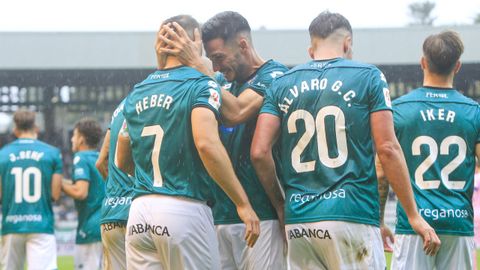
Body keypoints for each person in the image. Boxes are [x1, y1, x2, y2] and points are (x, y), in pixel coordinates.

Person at [250, 11, 441, 269]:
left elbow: (260, 152)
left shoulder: (281, 84)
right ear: (348, 43)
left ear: (311, 49)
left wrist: (282, 204)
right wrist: (413, 215)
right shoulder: (368, 76)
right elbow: (387, 148)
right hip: (352, 214)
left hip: (300, 221)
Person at [116, 15, 260, 270]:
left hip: (139, 213)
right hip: (183, 209)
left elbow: (122, 160)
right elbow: (206, 144)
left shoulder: (137, 91)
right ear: (195, 40)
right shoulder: (201, 84)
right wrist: (242, 203)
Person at [157, 11, 288, 269]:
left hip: (261, 213)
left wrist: (199, 65)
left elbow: (236, 112)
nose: (215, 67)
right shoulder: (216, 80)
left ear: (243, 44)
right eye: (210, 60)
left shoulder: (275, 76)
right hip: (218, 214)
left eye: (218, 58)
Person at [377, 30, 479, 270]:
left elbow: (381, 172)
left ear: (423, 63)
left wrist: (380, 220)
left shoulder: (399, 110)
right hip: (458, 228)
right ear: (457, 66)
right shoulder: (473, 112)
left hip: (413, 226)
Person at [0, 110, 62, 270]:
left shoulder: (2, 154)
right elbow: (55, 195)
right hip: (41, 224)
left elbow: (0, 194)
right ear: (36, 127)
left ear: (15, 129)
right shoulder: (52, 153)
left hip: (12, 224)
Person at [95, 99, 135, 270]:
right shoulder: (153, 99)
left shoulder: (120, 108)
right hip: (141, 207)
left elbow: (101, 161)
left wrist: (115, 189)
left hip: (112, 210)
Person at [63, 118, 105, 270]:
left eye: (74, 135)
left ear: (81, 139)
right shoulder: (100, 158)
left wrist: (57, 183)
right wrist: (61, 182)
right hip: (106, 224)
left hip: (90, 228)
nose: (72, 139)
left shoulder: (81, 157)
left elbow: (80, 192)